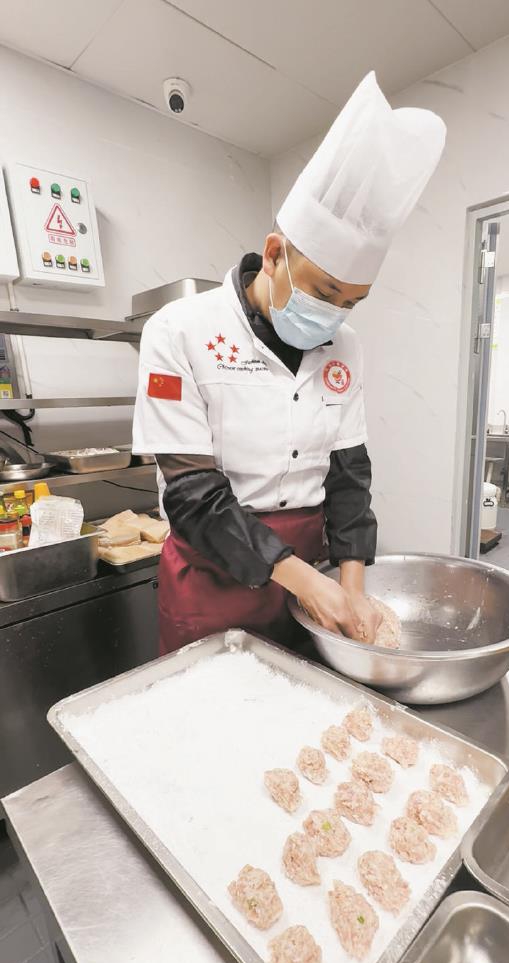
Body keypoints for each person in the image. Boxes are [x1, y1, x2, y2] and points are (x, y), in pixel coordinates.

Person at [133, 72, 445, 656]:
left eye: (352, 302)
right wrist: (307, 582)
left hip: (309, 569)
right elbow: (192, 493)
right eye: (325, 292)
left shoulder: (346, 347)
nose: (335, 315)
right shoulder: (179, 330)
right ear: (274, 254)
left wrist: (351, 590)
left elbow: (349, 476)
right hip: (211, 572)